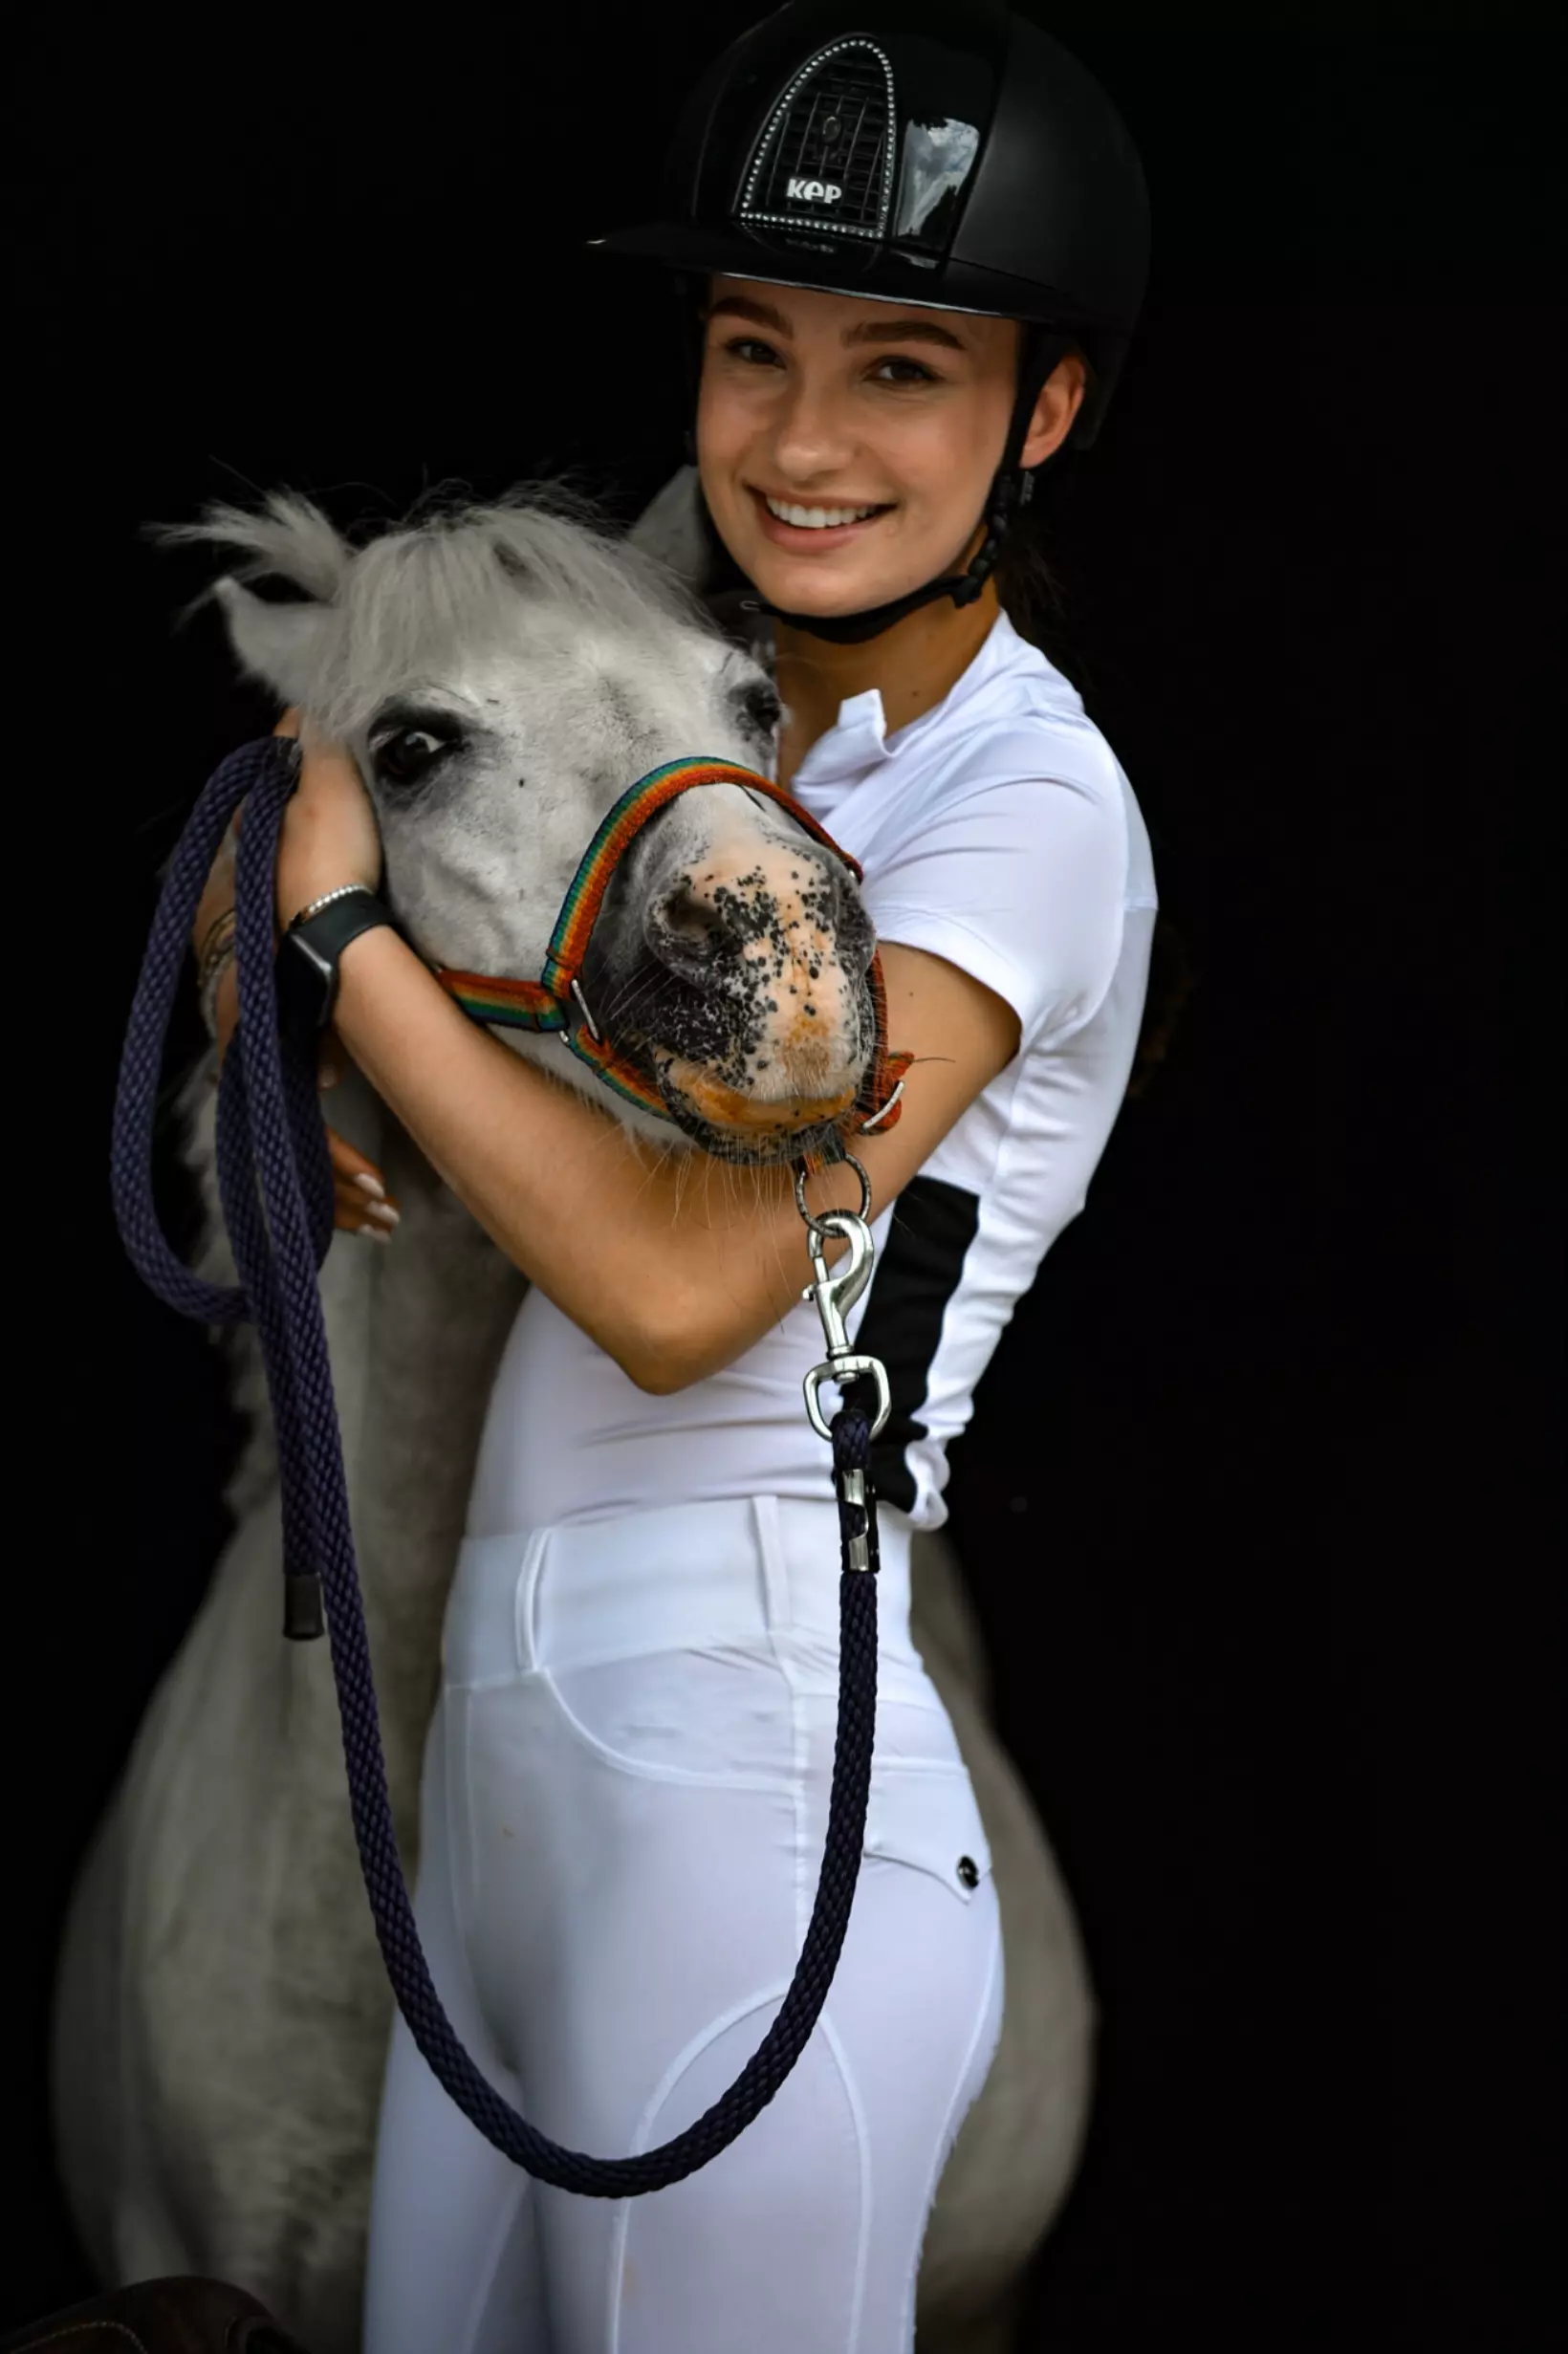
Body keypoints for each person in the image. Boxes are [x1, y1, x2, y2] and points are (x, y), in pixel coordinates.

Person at [188, 5, 1156, 2346]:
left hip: (746, 1756)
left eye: (899, 368)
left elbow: (675, 1292)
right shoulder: (707, 678)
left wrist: (343, 954)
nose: (799, 444)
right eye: (749, 350)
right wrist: (266, 924)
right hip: (505, 1784)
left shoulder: (1025, 808)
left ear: (1044, 410)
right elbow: (391, 736)